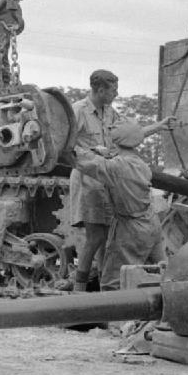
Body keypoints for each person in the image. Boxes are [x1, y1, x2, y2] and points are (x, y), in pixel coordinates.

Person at [69, 118, 164, 291]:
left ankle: (116, 318)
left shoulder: (115, 167)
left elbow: (79, 159)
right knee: (163, 274)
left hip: (131, 230)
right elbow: (117, 162)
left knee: (113, 284)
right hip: (152, 224)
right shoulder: (141, 164)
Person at [67, 70, 121, 292]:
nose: (116, 94)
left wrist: (157, 126)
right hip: (87, 178)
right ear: (100, 90)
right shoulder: (78, 111)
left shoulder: (110, 112)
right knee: (95, 236)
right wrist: (92, 150)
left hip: (104, 179)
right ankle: (79, 290)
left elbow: (127, 134)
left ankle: (100, 287)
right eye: (114, 89)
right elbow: (66, 147)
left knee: (107, 236)